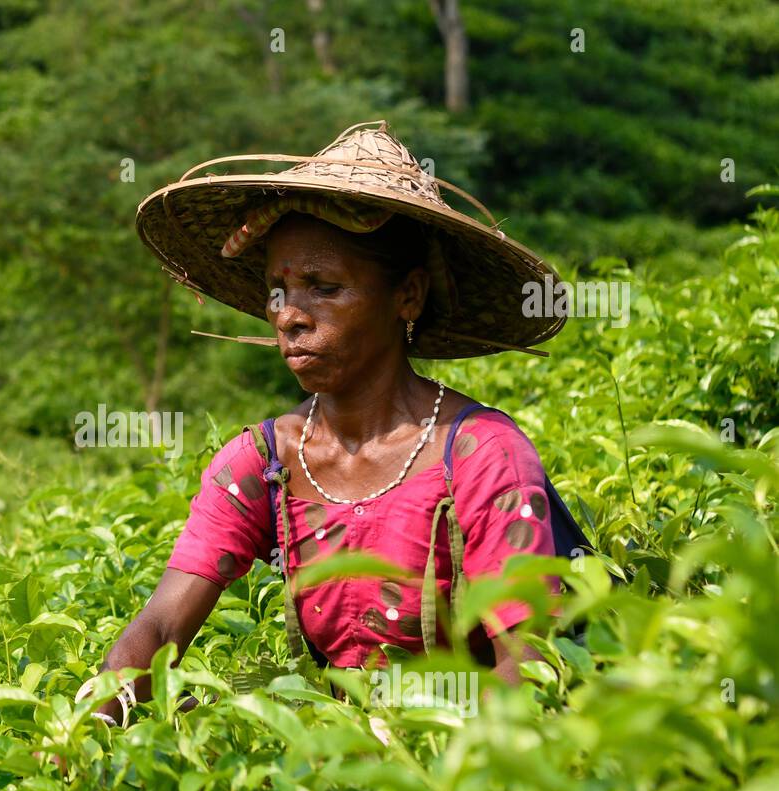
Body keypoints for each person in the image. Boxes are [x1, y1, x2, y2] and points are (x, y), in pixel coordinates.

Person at [93, 121, 568, 724]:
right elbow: (160, 624)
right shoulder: (265, 461)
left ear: (408, 296)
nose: (289, 314)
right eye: (278, 290)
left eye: (324, 287)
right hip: (323, 767)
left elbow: (525, 665)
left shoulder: (480, 455)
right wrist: (88, 734)